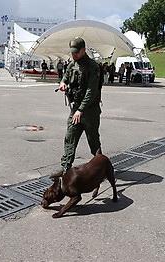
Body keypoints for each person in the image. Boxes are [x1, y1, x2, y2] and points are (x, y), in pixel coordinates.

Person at [50, 37, 102, 178]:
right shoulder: (72, 65)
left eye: (76, 52)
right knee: (70, 137)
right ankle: (65, 168)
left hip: (89, 110)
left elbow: (92, 91)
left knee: (93, 140)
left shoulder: (93, 67)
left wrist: (81, 110)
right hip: (75, 108)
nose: (74, 55)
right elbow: (65, 77)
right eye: (72, 52)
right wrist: (62, 83)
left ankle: (100, 167)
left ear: (84, 50)